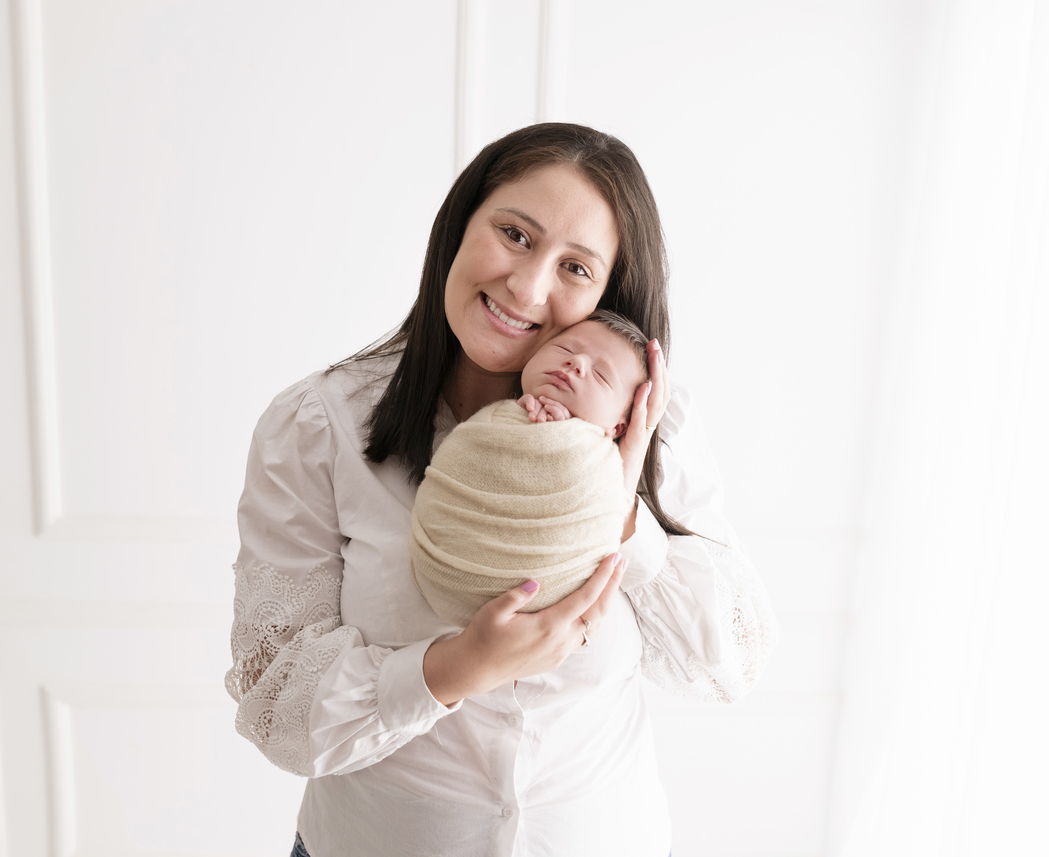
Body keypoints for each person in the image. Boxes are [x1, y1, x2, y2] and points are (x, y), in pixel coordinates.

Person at [225, 123, 776, 857]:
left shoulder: (648, 421)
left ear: (608, 294)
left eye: (575, 267)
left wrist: (616, 501)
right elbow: (275, 706)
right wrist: (455, 668)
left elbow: (729, 665)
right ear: (459, 227)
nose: (528, 286)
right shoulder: (319, 424)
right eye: (515, 235)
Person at [409, 310, 649, 628]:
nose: (577, 362)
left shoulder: (605, 465)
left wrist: (568, 443)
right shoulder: (492, 420)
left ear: (618, 427)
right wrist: (524, 431)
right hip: (443, 571)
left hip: (549, 599)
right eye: (564, 348)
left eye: (601, 375)